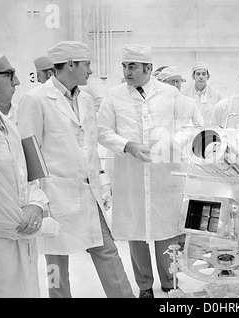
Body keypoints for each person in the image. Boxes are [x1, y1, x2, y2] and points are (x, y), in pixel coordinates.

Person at [17, 41, 135, 298]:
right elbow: (28, 154)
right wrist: (36, 200)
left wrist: (101, 183)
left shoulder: (86, 99)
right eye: (87, 64)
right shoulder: (35, 100)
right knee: (55, 265)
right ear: (70, 65)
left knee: (108, 252)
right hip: (55, 197)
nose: (91, 71)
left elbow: (90, 147)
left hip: (87, 192)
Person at [97, 44, 186, 298]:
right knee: (136, 234)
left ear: (148, 68)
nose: (127, 71)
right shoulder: (114, 96)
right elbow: (103, 131)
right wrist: (127, 145)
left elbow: (189, 126)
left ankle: (170, 283)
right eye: (124, 66)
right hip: (131, 175)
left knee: (166, 232)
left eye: (132, 66)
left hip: (163, 175)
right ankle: (145, 287)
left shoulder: (170, 94)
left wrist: (169, 142)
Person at [0, 35, 49, 297]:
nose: (17, 81)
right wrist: (33, 224)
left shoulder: (6, 122)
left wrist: (36, 204)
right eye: (9, 75)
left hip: (23, 249)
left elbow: (30, 177)